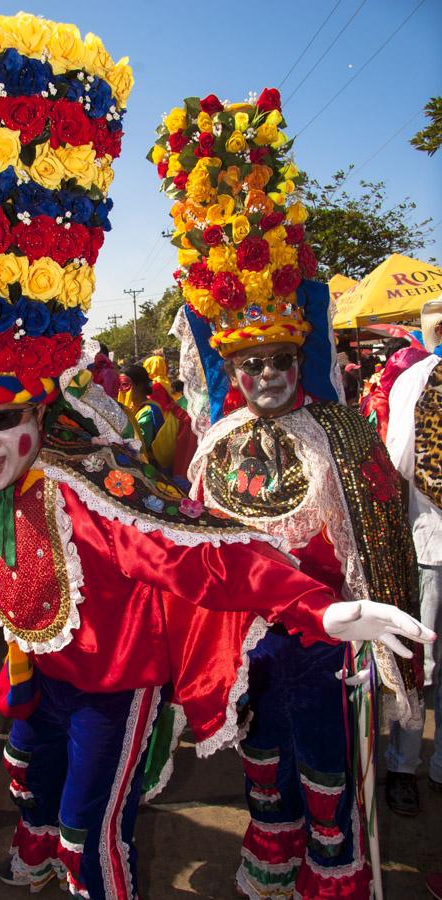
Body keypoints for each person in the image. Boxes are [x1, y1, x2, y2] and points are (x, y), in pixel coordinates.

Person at [0, 19, 433, 898]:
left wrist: (327, 609)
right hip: (54, 675)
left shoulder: (98, 489)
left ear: (40, 412)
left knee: (114, 823)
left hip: (167, 676)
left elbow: (202, 547)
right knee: (42, 782)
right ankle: (75, 847)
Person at [148, 87, 425, 898]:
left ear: (296, 357)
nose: (265, 376)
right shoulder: (217, 445)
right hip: (253, 640)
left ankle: (330, 868)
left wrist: (373, 631)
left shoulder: (342, 432)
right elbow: (200, 548)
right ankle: (271, 850)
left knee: (324, 758)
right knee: (261, 754)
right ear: (229, 371)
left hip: (328, 638)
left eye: (277, 360)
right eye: (249, 364)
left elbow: (380, 531)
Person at [384, 298, 442, 815]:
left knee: (423, 661)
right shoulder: (419, 382)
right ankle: (405, 763)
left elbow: (398, 458)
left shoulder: (417, 381)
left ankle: (416, 766)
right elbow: (402, 460)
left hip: (432, 541)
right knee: (419, 660)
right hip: (430, 544)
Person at [119, 364, 178, 470]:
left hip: (148, 468)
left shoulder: (148, 410)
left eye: (125, 385)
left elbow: (139, 445)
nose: (121, 390)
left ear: (140, 385)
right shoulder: (132, 408)